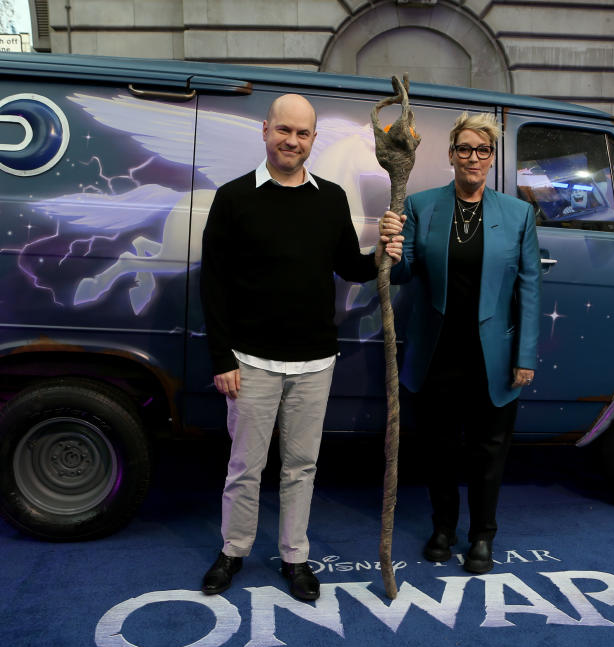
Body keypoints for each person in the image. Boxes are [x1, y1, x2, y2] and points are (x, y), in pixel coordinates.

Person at [199, 94, 404, 601]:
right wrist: (222, 359)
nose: (292, 140)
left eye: (303, 133)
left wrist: (382, 250)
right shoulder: (233, 198)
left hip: (315, 361)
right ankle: (234, 550)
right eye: (283, 130)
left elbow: (350, 267)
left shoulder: (330, 198)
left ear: (314, 139)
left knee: (301, 466)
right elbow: (214, 284)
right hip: (249, 360)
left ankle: (295, 557)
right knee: (246, 466)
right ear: (265, 130)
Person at [380, 111, 540, 574]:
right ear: (451, 154)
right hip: (437, 353)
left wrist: (524, 355)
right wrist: (392, 251)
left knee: (489, 451)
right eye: (465, 149)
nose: (474, 158)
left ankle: (482, 536)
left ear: (492, 158)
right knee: (440, 448)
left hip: (493, 355)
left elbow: (529, 289)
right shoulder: (420, 205)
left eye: (483, 150)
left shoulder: (518, 214)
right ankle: (443, 529)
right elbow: (406, 273)